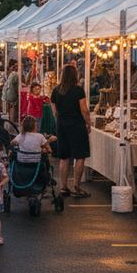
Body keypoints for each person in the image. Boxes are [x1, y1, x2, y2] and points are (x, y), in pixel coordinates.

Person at [51, 63, 92, 198]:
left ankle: (63, 187)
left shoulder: (56, 90)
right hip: (77, 125)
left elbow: (54, 111)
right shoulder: (78, 90)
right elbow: (84, 110)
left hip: (62, 125)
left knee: (64, 157)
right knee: (80, 155)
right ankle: (76, 186)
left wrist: (61, 119)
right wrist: (89, 123)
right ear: (75, 75)